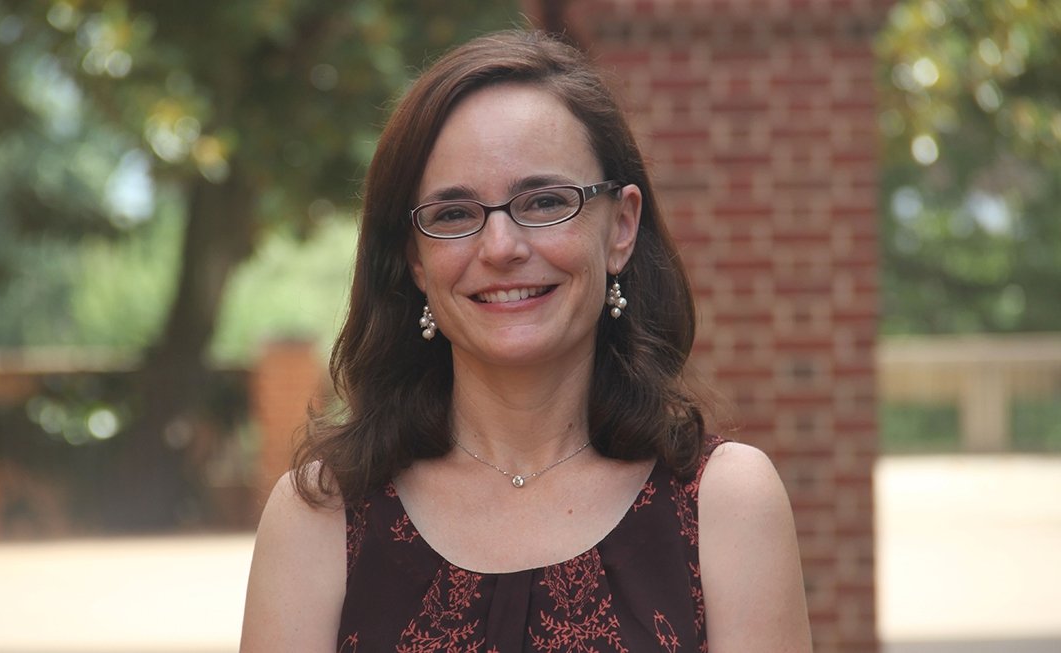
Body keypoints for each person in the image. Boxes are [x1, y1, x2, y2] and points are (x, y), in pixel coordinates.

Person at [240, 29, 812, 652]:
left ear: (621, 227)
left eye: (543, 201)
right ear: (414, 260)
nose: (503, 248)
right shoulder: (321, 517)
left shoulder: (724, 505)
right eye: (454, 214)